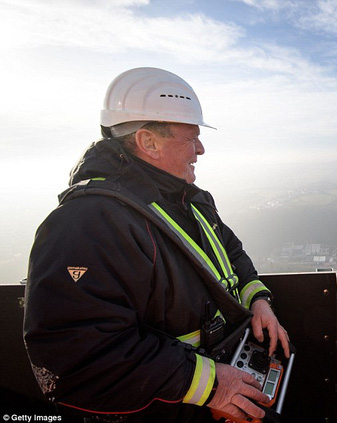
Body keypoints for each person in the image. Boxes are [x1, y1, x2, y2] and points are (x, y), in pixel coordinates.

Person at [23, 67, 290, 423]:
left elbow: (230, 251)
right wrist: (212, 387)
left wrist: (257, 300)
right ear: (148, 142)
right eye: (190, 138)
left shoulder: (189, 199)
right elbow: (77, 357)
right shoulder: (85, 224)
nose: (201, 149)